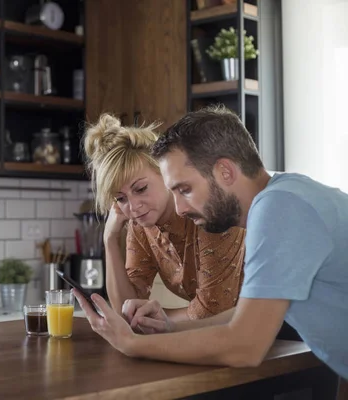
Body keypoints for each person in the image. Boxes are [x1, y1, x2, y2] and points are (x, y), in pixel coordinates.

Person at [73, 106, 348, 381]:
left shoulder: (279, 207)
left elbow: (245, 346)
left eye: (185, 189)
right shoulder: (290, 194)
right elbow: (243, 317)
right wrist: (168, 327)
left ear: (225, 172)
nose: (179, 209)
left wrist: (133, 345)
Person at [82, 113, 246, 326]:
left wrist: (157, 317)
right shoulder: (142, 226)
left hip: (283, 327)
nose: (133, 207)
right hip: (228, 334)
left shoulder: (207, 211)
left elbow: (212, 311)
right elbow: (127, 307)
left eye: (141, 189)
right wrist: (110, 239)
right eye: (120, 198)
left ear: (164, 172)